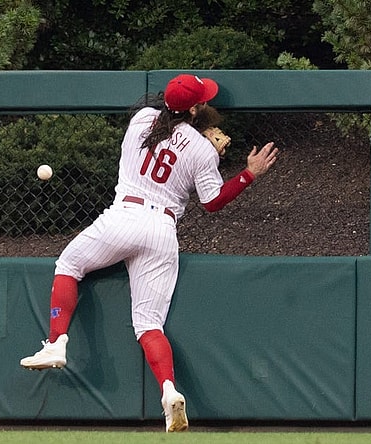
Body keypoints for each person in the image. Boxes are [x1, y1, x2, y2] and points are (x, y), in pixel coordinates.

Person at [20, 73, 280, 432]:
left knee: (69, 263)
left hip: (124, 216)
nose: (208, 104)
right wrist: (248, 173)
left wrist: (193, 133)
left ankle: (56, 342)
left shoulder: (142, 119)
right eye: (203, 101)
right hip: (160, 230)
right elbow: (213, 202)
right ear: (194, 108)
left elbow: (166, 129)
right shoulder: (203, 149)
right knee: (148, 325)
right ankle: (168, 390)